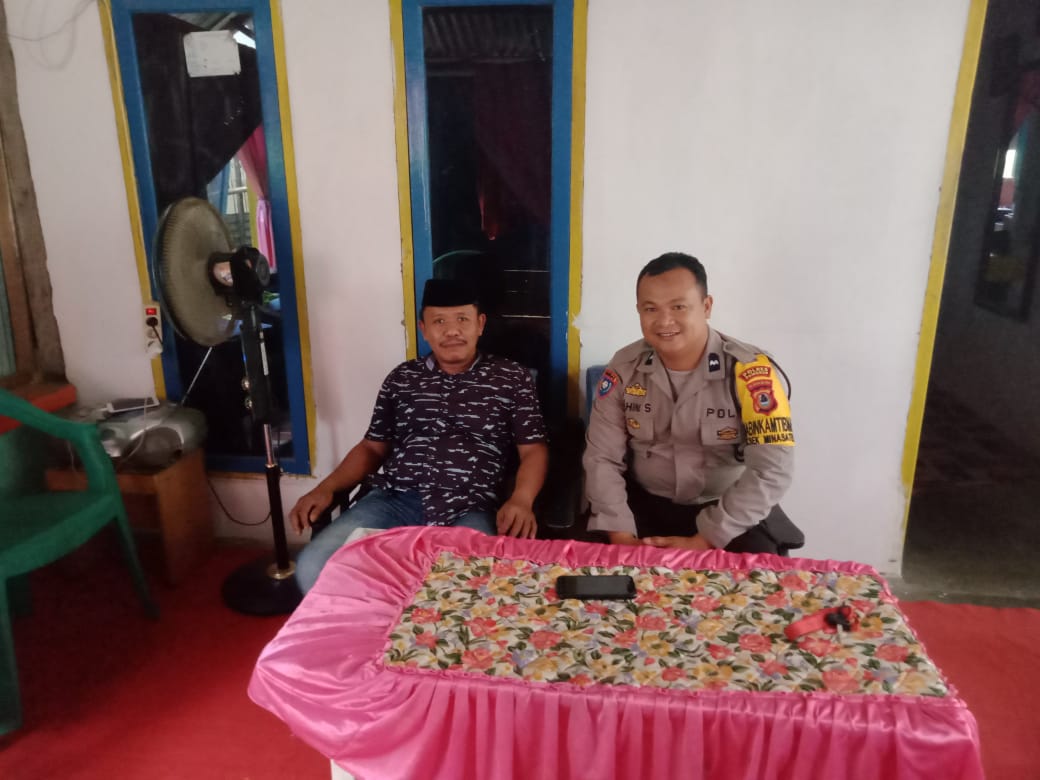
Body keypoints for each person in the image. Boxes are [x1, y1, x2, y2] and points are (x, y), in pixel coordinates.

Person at [291, 278, 549, 592]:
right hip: (395, 499)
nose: (452, 331)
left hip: (469, 504)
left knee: (465, 583)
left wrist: (522, 499)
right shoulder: (402, 379)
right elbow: (372, 447)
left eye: (462, 319)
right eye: (439, 321)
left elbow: (533, 450)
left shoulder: (511, 379)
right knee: (316, 565)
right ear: (423, 329)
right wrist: (326, 488)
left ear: (480, 324)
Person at [583, 252, 800, 553]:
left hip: (728, 514)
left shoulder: (752, 373)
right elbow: (602, 458)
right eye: (650, 309)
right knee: (590, 571)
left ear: (706, 306)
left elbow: (771, 469)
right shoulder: (624, 368)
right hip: (640, 510)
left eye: (678, 307)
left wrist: (705, 540)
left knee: (758, 577)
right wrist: (621, 535)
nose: (664, 321)